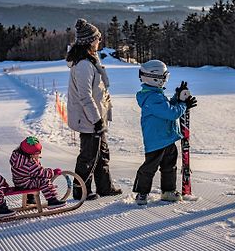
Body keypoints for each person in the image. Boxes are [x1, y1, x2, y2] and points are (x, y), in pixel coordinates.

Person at [66, 18, 122, 200]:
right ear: (90, 41)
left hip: (96, 118)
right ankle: (81, 190)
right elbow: (85, 96)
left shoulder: (91, 60)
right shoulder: (83, 65)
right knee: (88, 156)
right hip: (89, 119)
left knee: (102, 154)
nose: (100, 42)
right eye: (97, 39)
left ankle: (104, 187)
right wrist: (96, 120)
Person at [133, 60, 197, 205]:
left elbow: (168, 106)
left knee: (169, 166)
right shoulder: (151, 98)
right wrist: (183, 105)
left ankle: (168, 191)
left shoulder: (156, 94)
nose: (165, 80)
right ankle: (141, 192)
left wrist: (177, 98)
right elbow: (171, 113)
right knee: (150, 167)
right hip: (156, 141)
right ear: (154, 78)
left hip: (167, 138)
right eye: (164, 77)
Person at [10, 136, 66, 209]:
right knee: (44, 181)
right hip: (25, 184)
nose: (38, 155)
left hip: (19, 182)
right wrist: (53, 172)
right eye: (37, 153)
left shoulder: (17, 156)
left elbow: (34, 172)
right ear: (30, 154)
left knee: (34, 177)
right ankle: (52, 201)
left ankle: (30, 199)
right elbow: (42, 173)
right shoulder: (29, 164)